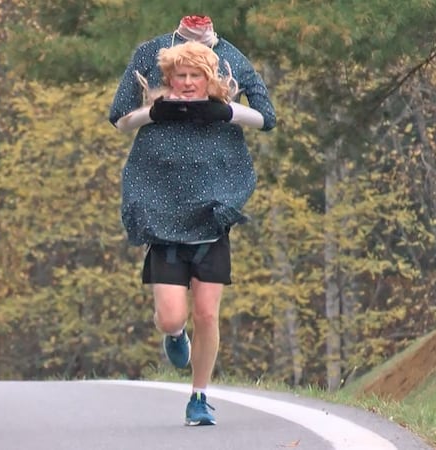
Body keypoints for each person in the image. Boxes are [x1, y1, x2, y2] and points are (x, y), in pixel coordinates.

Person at [109, 15, 276, 426]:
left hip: (211, 212)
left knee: (207, 312)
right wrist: (152, 113)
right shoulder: (150, 53)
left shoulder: (232, 58)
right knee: (172, 317)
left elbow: (267, 117)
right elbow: (118, 117)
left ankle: (199, 396)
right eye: (180, 75)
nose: (186, 82)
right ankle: (173, 335)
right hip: (163, 211)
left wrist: (228, 113)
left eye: (194, 76)